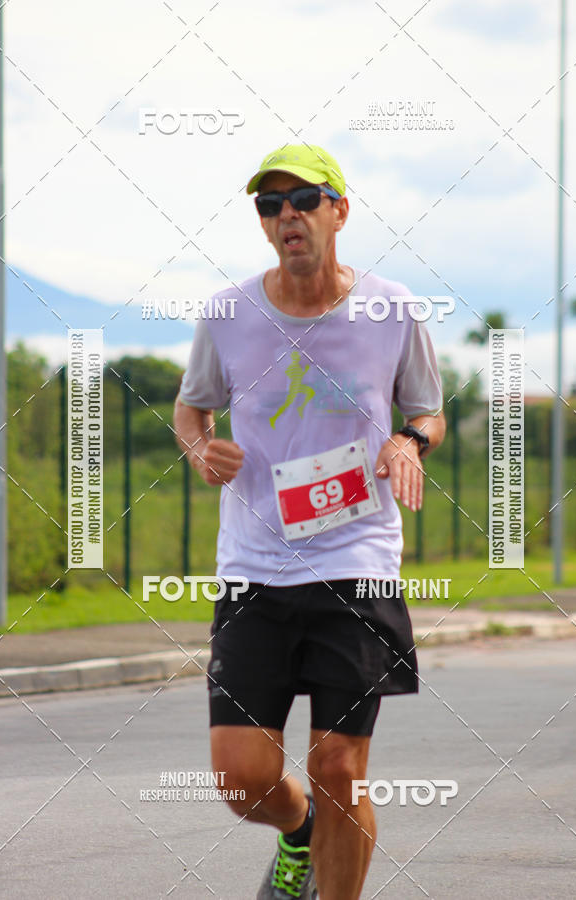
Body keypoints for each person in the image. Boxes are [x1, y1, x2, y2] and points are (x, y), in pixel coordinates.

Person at [173, 144, 446, 900]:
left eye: (303, 199)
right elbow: (190, 406)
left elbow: (429, 409)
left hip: (357, 560)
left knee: (338, 767)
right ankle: (298, 835)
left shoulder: (391, 308)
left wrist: (407, 441)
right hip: (255, 565)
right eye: (270, 204)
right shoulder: (228, 313)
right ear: (263, 225)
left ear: (340, 211)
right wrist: (201, 448)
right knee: (243, 780)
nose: (286, 214)